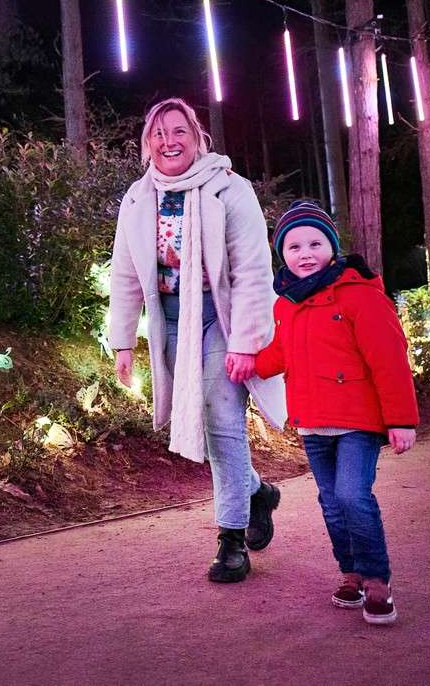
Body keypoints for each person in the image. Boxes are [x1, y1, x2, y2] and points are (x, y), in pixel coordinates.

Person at [108, 97, 286, 584]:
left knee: (221, 416)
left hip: (218, 318)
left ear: (197, 136)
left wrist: (246, 341)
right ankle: (256, 492)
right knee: (203, 426)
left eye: (179, 130)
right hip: (169, 320)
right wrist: (123, 341)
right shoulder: (138, 198)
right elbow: (125, 273)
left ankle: (231, 539)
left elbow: (252, 270)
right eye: (159, 133)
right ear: (147, 143)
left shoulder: (230, 189)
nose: (169, 141)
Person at [254, 200, 419, 626]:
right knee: (330, 501)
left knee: (351, 495)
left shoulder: (360, 294)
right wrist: (250, 363)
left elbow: (389, 358)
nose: (304, 253)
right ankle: (351, 574)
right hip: (312, 420)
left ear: (332, 246)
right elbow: (282, 352)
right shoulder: (286, 303)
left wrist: (401, 419)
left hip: (357, 420)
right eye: (293, 247)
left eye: (314, 242)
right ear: (282, 254)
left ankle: (376, 580)